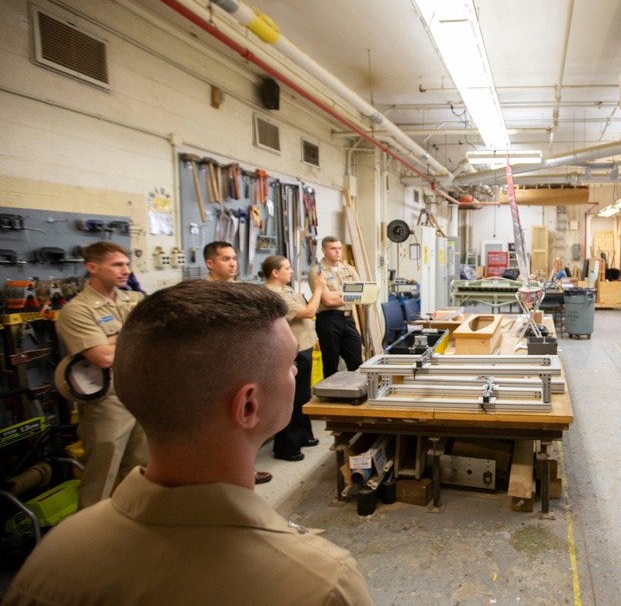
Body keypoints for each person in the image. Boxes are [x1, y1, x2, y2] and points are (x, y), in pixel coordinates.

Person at [3, 281, 373, 606]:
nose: (296, 370)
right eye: (290, 363)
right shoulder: (320, 583)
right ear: (248, 405)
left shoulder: (57, 555)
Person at [55, 241, 147, 508]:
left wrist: (114, 339)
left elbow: (159, 337)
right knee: (101, 477)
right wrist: (136, 336)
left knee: (142, 471)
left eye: (127, 264)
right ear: (92, 267)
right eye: (117, 264)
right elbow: (102, 357)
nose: (126, 270)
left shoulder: (134, 299)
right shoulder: (78, 310)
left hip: (139, 393)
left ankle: (137, 528)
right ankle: (87, 540)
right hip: (107, 400)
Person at [203, 240, 271, 486]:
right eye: (225, 259)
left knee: (244, 422)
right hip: (216, 368)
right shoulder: (202, 295)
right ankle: (215, 474)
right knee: (217, 423)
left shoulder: (240, 291)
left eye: (233, 258)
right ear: (210, 263)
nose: (232, 263)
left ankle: (244, 470)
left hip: (243, 366)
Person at [261, 255, 326, 461]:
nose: (291, 271)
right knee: (291, 399)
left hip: (303, 346)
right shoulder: (272, 294)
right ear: (275, 272)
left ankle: (303, 435)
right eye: (287, 268)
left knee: (303, 397)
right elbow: (308, 312)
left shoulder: (287, 290)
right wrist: (319, 288)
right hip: (291, 352)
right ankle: (286, 446)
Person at [308, 236, 363, 378]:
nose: (338, 252)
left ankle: (356, 392)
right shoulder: (317, 272)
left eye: (339, 248)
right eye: (333, 248)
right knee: (331, 363)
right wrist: (348, 294)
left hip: (348, 319)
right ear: (324, 250)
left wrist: (338, 295)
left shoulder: (348, 269)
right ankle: (329, 397)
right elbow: (327, 301)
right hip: (329, 320)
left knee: (357, 362)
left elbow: (361, 293)